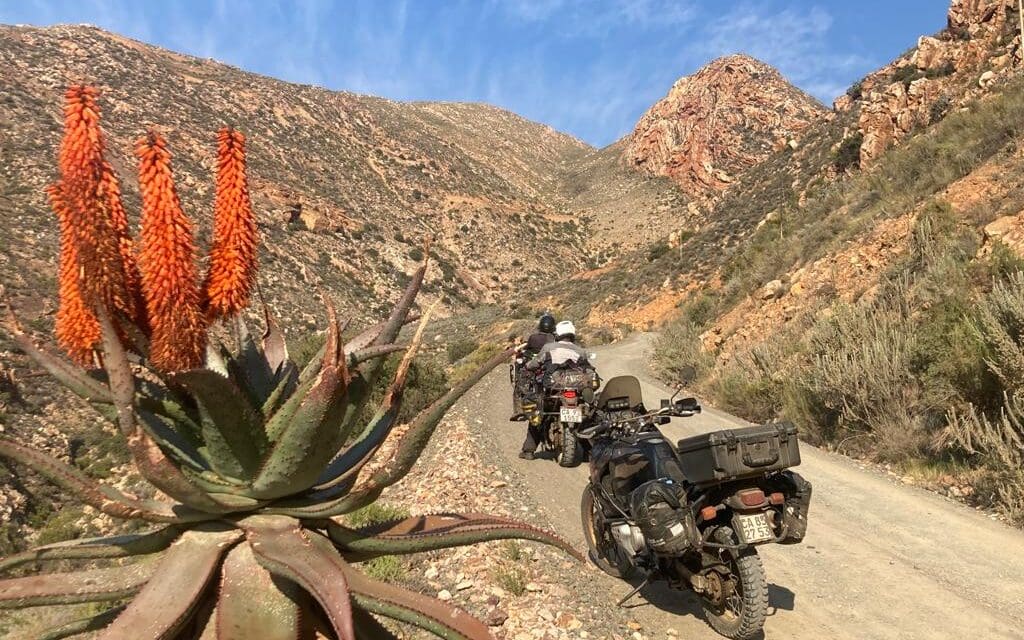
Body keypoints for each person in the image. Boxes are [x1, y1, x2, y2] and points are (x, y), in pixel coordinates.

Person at [519, 320, 589, 460]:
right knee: (587, 415)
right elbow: (587, 368)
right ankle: (587, 449)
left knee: (538, 414)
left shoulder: (549, 347)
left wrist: (527, 365)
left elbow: (535, 363)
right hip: (576, 389)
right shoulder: (580, 350)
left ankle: (529, 450)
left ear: (558, 334)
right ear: (572, 334)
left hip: (553, 388)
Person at [510, 313, 556, 421]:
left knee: (520, 384)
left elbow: (527, 349)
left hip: (535, 366)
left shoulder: (533, 338)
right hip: (550, 367)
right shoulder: (554, 339)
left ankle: (519, 411)